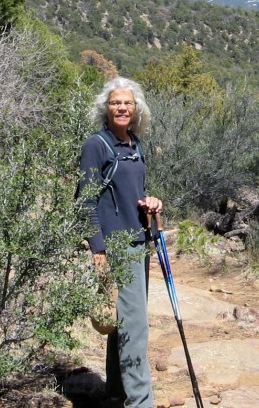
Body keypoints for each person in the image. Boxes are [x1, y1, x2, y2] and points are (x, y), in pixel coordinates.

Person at [78, 76, 162, 408]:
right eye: (116, 103)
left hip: (139, 241)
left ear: (136, 108)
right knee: (135, 327)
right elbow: (85, 200)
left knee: (122, 320)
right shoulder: (96, 145)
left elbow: (133, 193)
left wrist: (150, 202)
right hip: (116, 246)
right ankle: (140, 402)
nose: (122, 108)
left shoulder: (134, 144)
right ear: (106, 108)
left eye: (127, 102)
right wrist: (97, 247)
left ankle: (116, 391)